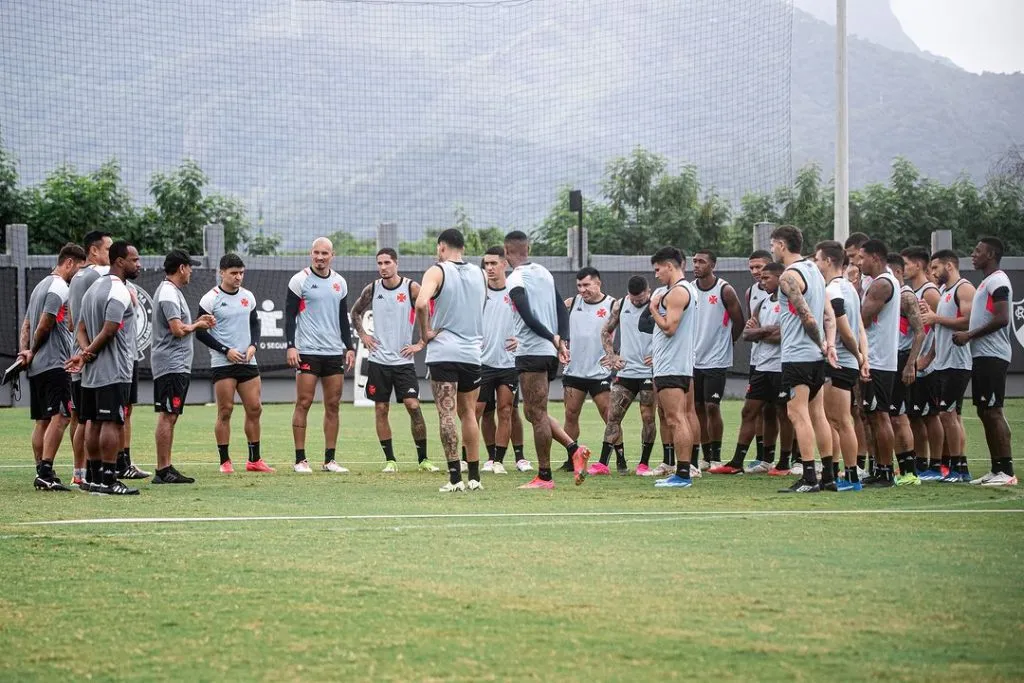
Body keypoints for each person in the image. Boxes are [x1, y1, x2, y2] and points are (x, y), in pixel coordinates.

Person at [502, 230, 591, 489]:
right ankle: (574, 449)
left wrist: (553, 338)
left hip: (532, 351)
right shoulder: (544, 272)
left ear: (507, 253)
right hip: (548, 351)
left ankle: (544, 476)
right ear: (528, 248)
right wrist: (562, 339)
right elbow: (562, 309)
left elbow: (527, 315)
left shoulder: (516, 278)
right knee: (532, 412)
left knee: (537, 414)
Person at [65, 241, 142, 495]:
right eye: (134, 260)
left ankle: (94, 478)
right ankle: (109, 480)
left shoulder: (93, 288)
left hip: (91, 373)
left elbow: (80, 327)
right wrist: (88, 355)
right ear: (119, 261)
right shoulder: (118, 291)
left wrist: (86, 355)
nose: (138, 264)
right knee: (111, 422)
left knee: (93, 423)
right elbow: (109, 330)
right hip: (114, 370)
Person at [350, 248, 437, 473]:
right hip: (378, 361)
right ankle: (390, 460)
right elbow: (355, 312)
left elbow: (427, 311)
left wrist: (421, 343)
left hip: (403, 362)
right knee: (381, 409)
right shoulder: (372, 289)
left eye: (387, 262)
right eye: (379, 263)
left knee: (413, 406)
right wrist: (363, 335)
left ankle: (423, 459)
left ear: (396, 263)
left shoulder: (411, 288)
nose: (383, 267)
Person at [415, 229, 487, 492]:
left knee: (446, 414)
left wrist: (425, 334)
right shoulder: (480, 273)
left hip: (444, 352)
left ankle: (455, 478)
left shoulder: (437, 270)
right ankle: (476, 476)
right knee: (468, 413)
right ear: (463, 248)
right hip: (472, 353)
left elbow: (422, 303)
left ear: (441, 247)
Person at [772, 225, 837, 493]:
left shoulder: (789, 276)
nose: (772, 249)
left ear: (783, 245)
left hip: (798, 355)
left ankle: (810, 477)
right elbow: (828, 315)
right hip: (815, 357)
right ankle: (829, 476)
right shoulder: (815, 271)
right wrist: (828, 345)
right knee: (818, 413)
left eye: (774, 244)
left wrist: (821, 342)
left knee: (796, 413)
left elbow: (809, 317)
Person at [196, 253, 273, 474]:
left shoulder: (248, 296)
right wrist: (225, 350)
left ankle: (254, 460)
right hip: (223, 363)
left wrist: (253, 346)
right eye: (233, 273)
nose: (238, 277)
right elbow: (200, 333)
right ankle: (225, 461)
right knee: (225, 411)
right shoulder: (210, 299)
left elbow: (255, 325)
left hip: (248, 361)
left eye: (241, 273)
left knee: (255, 408)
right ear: (222, 273)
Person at [17, 243, 86, 490]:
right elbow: (44, 324)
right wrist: (33, 351)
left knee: (42, 420)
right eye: (78, 269)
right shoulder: (59, 288)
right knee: (62, 416)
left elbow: (26, 325)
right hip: (55, 363)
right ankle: (45, 472)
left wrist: (24, 354)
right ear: (69, 263)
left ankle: (42, 472)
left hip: (37, 365)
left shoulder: (40, 286)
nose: (79, 275)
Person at [286, 237, 356, 474]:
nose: (320, 257)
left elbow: (342, 319)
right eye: (316, 253)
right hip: (307, 351)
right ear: (310, 254)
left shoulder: (340, 283)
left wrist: (349, 347)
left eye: (324, 253)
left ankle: (329, 460)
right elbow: (288, 316)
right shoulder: (299, 280)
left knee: (333, 405)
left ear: (332, 255)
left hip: (333, 353)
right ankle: (300, 459)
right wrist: (291, 346)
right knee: (303, 403)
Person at [713, 262, 789, 475]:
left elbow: (785, 334)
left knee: (783, 413)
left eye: (767, 278)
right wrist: (767, 331)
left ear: (780, 277)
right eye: (761, 278)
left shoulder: (789, 302)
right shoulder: (762, 303)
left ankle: (783, 463)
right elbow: (747, 335)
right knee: (749, 411)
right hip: (761, 367)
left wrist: (760, 332)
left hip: (782, 367)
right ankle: (737, 462)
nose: (762, 282)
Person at [955, 237, 1016, 486]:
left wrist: (969, 334)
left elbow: (1002, 318)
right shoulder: (987, 282)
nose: (973, 254)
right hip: (982, 355)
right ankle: (996, 469)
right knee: (984, 411)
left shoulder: (998, 281)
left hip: (993, 355)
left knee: (993, 411)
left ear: (990, 254)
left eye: (978, 251)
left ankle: (1007, 471)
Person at [149, 250, 213, 484]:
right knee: (168, 414)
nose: (192, 271)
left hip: (175, 364)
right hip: (171, 364)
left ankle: (165, 468)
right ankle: (163, 470)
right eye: (190, 266)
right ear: (182, 268)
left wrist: (198, 324)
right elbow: (177, 329)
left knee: (171, 415)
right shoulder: (167, 292)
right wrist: (198, 324)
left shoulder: (171, 291)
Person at [858, 239, 917, 487]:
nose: (859, 263)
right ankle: (881, 469)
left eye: (862, 258)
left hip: (878, 360)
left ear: (875, 258)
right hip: (878, 359)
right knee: (872, 415)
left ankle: (886, 472)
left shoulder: (882, 283)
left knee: (881, 416)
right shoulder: (882, 282)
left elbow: (861, 319)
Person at [638, 246, 696, 489]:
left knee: (675, 419)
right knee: (676, 417)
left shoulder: (678, 292)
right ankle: (681, 471)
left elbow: (669, 328)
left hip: (673, 366)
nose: (656, 274)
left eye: (658, 269)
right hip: (673, 364)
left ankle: (683, 474)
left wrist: (653, 309)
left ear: (670, 266)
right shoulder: (680, 290)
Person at [815, 241, 870, 491]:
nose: (815, 264)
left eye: (817, 260)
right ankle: (840, 472)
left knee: (841, 420)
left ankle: (851, 476)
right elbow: (860, 328)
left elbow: (847, 330)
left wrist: (858, 356)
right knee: (835, 420)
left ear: (827, 261)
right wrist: (863, 356)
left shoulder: (834, 290)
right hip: (846, 360)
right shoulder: (850, 288)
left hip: (839, 362)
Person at [920, 250, 975, 482]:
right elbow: (937, 331)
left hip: (957, 362)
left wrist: (936, 318)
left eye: (935, 268)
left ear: (949, 266)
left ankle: (958, 469)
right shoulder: (943, 291)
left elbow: (970, 321)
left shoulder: (964, 288)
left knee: (947, 414)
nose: (932, 273)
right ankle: (958, 467)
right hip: (943, 362)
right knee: (952, 416)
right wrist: (929, 358)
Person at [475, 246, 531, 474]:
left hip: (509, 362)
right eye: (486, 264)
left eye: (493, 263)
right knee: (482, 411)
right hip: (483, 362)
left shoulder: (516, 290)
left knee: (507, 410)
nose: (489, 268)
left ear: (504, 264)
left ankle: (509, 458)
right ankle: (490, 457)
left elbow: (532, 316)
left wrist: (522, 339)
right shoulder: (479, 292)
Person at [556, 267, 614, 474]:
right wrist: (559, 347)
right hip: (574, 372)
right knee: (570, 415)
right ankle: (572, 458)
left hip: (600, 371)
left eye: (586, 285)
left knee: (609, 416)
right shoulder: (571, 304)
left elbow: (634, 330)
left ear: (598, 283)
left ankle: (614, 460)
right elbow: (556, 328)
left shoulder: (612, 305)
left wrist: (617, 355)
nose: (582, 289)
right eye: (579, 285)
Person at [690, 250, 744, 470]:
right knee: (698, 408)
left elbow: (739, 321)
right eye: (694, 261)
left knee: (712, 406)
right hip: (693, 359)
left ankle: (716, 456)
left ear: (713, 265)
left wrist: (726, 343)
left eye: (701, 261)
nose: (696, 265)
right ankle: (705, 455)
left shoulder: (725, 290)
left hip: (716, 360)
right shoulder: (689, 290)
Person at [599, 275, 657, 476]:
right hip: (626, 371)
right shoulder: (621, 304)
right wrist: (611, 355)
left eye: (640, 299)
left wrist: (659, 355)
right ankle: (602, 463)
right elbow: (606, 332)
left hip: (649, 372)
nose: (637, 302)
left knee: (648, 416)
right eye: (634, 299)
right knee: (612, 415)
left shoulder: (657, 304)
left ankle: (644, 463)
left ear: (648, 292)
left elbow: (673, 332)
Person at [901, 247, 943, 481]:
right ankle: (921, 462)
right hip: (915, 362)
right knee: (915, 416)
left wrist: (929, 358)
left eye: (906, 264)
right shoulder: (911, 291)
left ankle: (936, 465)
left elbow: (940, 327)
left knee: (931, 416)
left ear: (918, 265)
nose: (904, 268)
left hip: (928, 365)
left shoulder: (929, 291)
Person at [886, 254, 926, 486]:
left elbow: (920, 332)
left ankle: (910, 472)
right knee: (891, 417)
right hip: (890, 359)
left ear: (899, 272)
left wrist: (911, 364)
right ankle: (895, 468)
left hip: (903, 360)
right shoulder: (891, 296)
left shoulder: (906, 296)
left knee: (900, 417)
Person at [741, 249, 775, 470]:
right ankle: (763, 456)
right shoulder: (750, 292)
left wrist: (760, 331)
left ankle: (792, 458)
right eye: (752, 267)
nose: (755, 272)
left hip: (780, 360)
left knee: (780, 411)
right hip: (758, 359)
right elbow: (748, 330)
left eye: (759, 267)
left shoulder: (785, 289)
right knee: (758, 409)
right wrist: (762, 331)